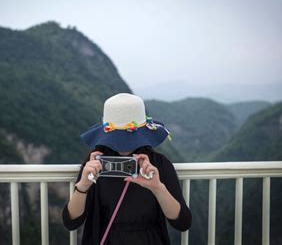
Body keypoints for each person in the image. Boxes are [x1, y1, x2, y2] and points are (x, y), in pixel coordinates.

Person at [62, 93, 192, 245]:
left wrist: (158, 188)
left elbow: (182, 222)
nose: (124, 145)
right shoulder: (95, 164)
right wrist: (83, 187)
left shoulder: (159, 165)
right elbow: (71, 222)